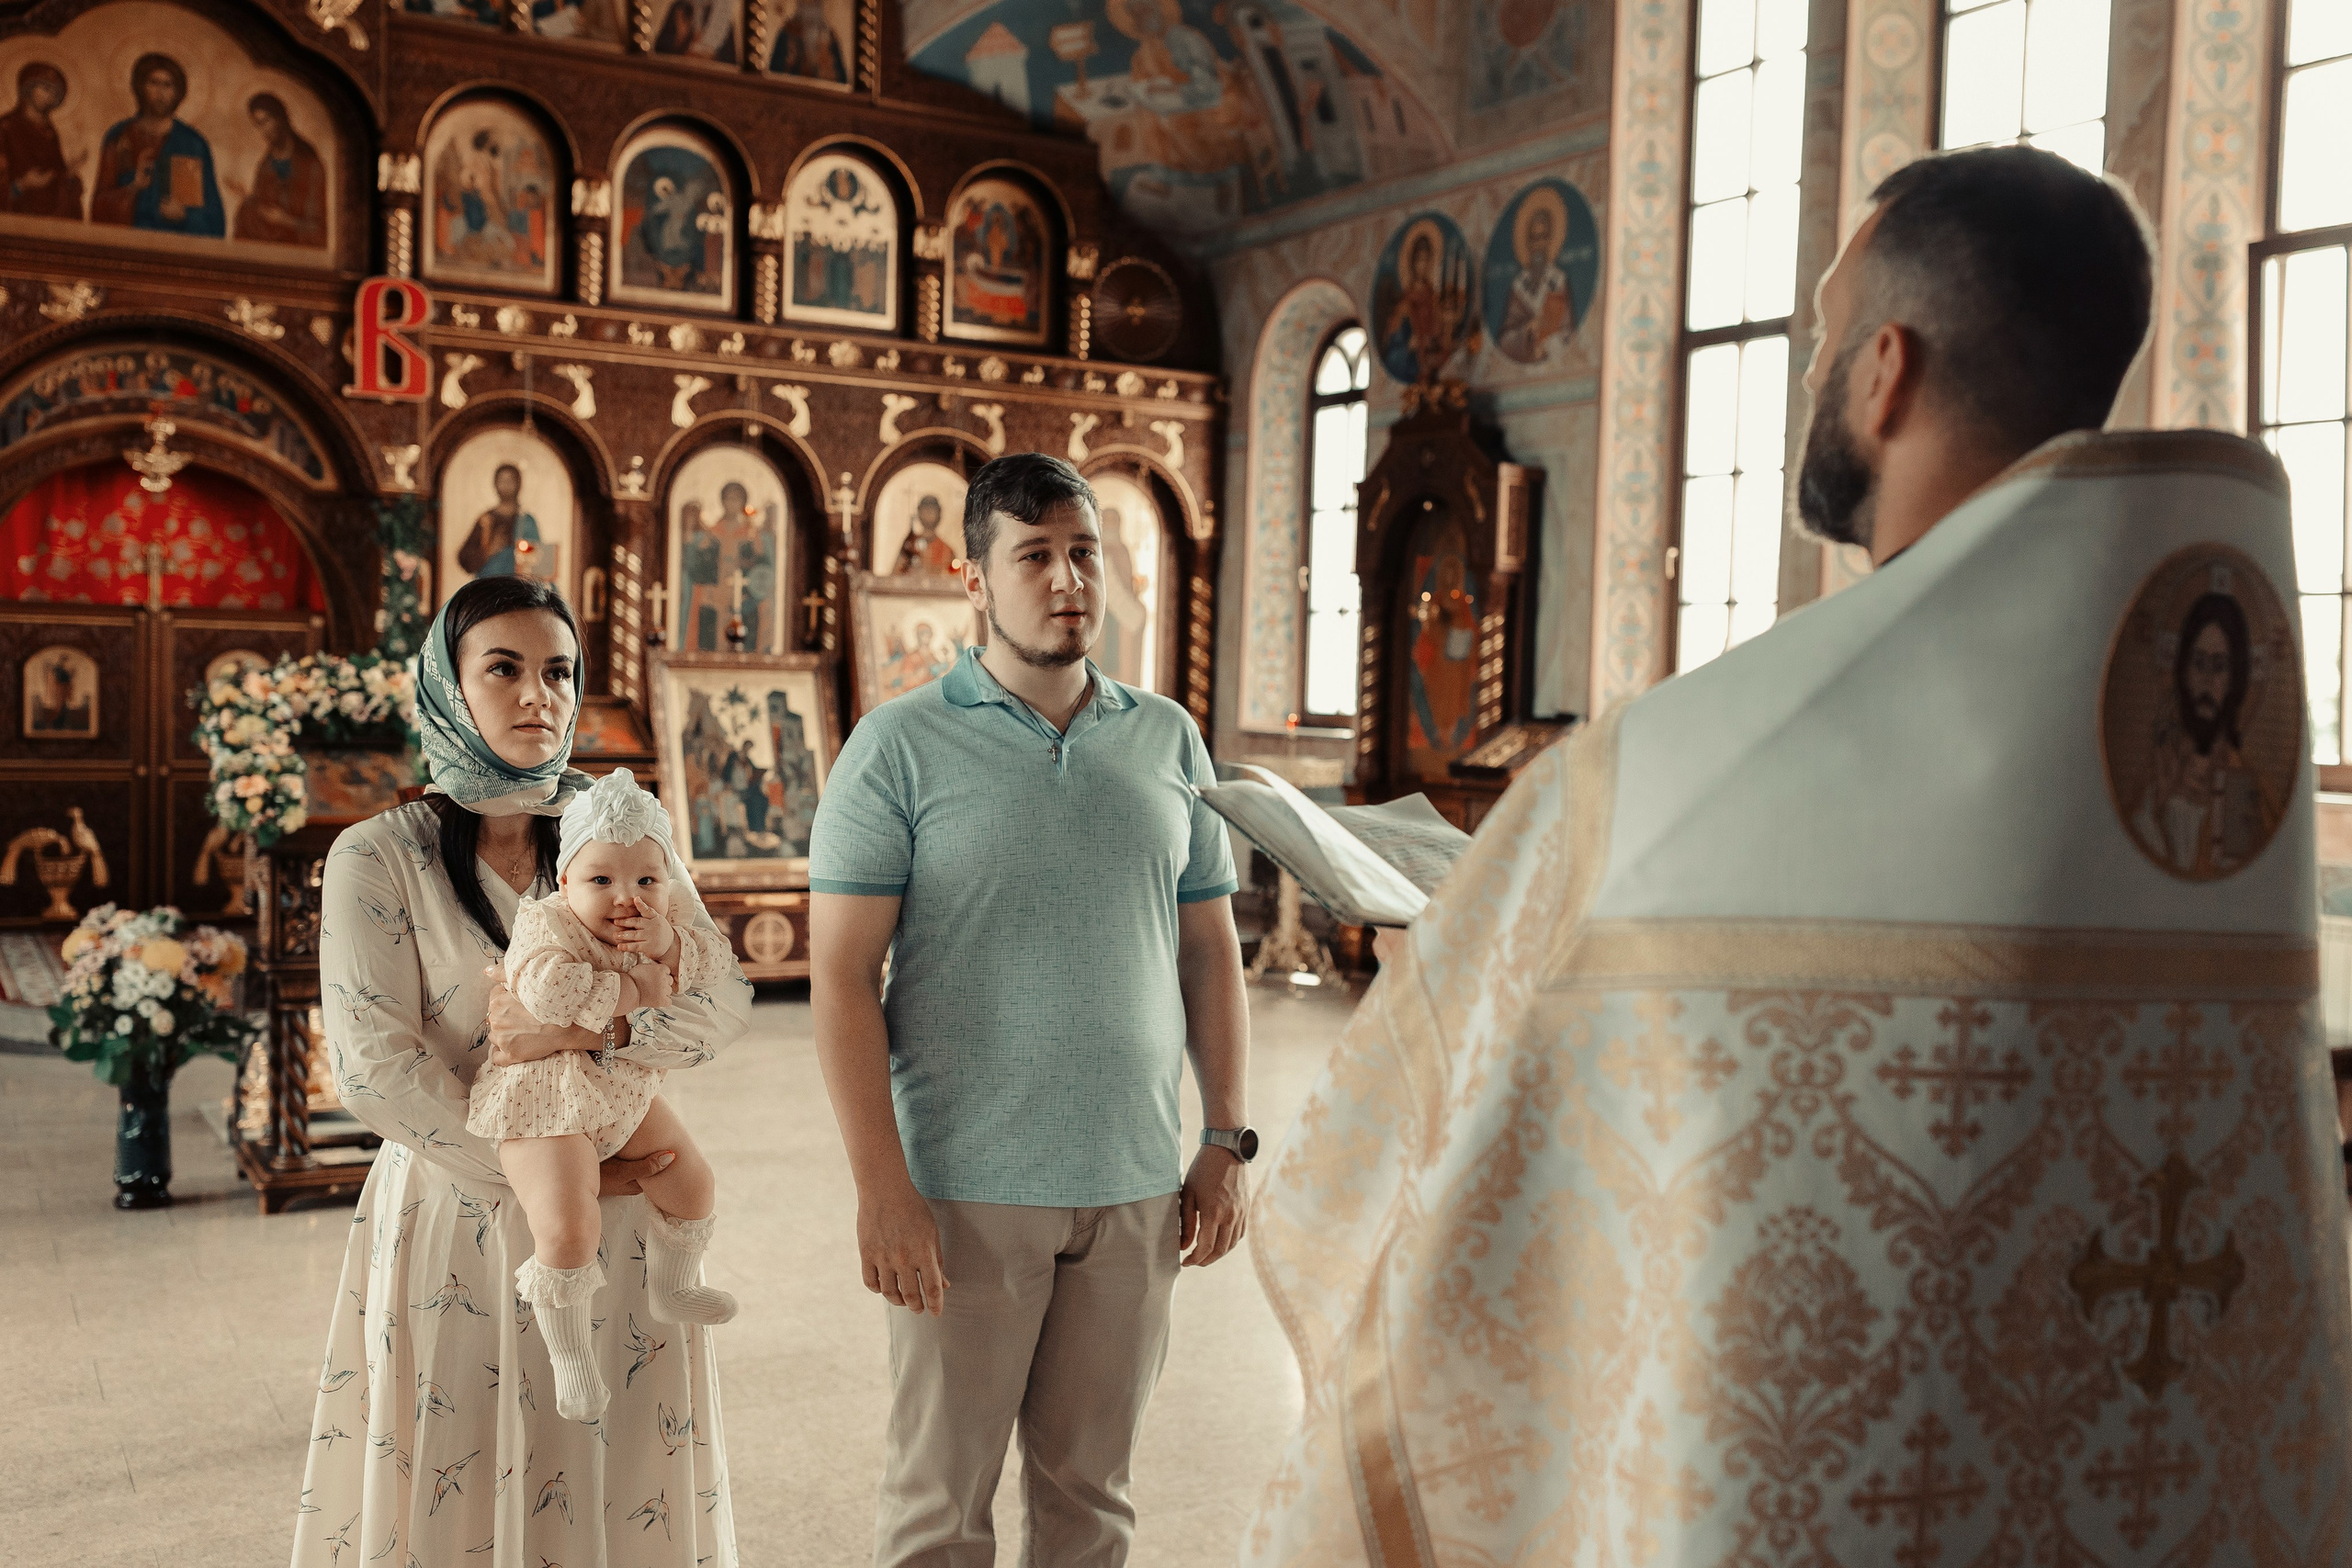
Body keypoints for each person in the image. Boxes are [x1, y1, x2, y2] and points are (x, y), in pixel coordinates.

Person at [1245, 145, 2352, 1565]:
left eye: (1826, 336)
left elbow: (1382, 1214)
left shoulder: (1654, 786)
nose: (1818, 374)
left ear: (1884, 369)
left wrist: (1464, 992)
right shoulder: (2203, 768)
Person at [809, 452, 1252, 1567]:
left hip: (1138, 1185)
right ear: (973, 578)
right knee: (939, 1511)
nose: (1068, 581)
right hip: (965, 1190)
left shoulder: (1168, 739)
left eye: (1085, 554)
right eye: (1035, 556)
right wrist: (881, 1189)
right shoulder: (897, 748)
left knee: (1092, 1501)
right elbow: (840, 979)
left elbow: (1209, 950)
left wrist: (1226, 1138)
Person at [291, 576, 752, 1567]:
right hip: (461, 1205)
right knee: (464, 1459)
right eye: (502, 668)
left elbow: (714, 1002)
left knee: (619, 1476)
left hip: (624, 1211)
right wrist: (546, 1177)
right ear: (449, 686)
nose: (535, 694)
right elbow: (375, 1070)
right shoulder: (379, 856)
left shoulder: (618, 830)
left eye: (557, 670)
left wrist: (595, 1042)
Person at [465, 767, 741, 1423]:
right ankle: (570, 1353)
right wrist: (638, 990)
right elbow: (545, 993)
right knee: (567, 1224)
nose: (628, 898)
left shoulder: (661, 921)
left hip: (619, 1089)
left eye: (647, 879)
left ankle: (673, 1286)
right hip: (544, 1099)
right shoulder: (545, 923)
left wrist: (670, 944)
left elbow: (715, 961)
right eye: (602, 880)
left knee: (692, 1180)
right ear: (566, 882)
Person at [91, 53, 223, 236]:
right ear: (141, 87)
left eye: (168, 85)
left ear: (178, 92)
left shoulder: (192, 144)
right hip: (128, 243)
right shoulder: (120, 137)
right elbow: (98, 208)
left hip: (178, 249)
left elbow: (214, 218)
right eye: (154, 83)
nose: (161, 93)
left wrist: (185, 216)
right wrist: (133, 188)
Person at [231, 93, 327, 247]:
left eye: (266, 121)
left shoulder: (309, 164)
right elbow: (263, 209)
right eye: (258, 125)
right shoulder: (266, 165)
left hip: (298, 249)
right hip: (266, 245)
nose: (264, 131)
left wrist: (287, 221)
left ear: (280, 118)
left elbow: (319, 230)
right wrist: (248, 200)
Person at [0, 62, 83, 219]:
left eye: (54, 92)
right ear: (28, 89)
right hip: (16, 216)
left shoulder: (49, 134)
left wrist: (68, 175)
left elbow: (55, 175)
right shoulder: (6, 128)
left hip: (49, 218)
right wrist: (22, 185)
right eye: (45, 89)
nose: (49, 96)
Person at [457, 461, 541, 579]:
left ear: (518, 484)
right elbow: (464, 558)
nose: (506, 485)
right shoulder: (486, 520)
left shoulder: (526, 521)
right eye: (502, 481)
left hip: (518, 586)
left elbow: (538, 561)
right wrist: (489, 551)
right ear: (495, 484)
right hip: (488, 584)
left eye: (510, 481)